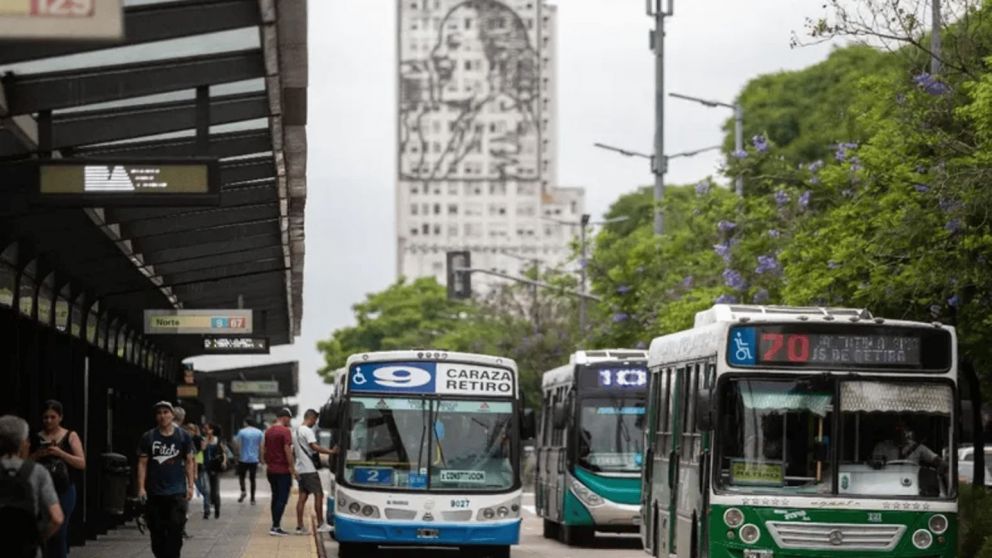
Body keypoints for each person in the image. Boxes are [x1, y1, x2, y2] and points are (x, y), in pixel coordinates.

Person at [0, 415, 63, 558]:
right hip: (27, 549)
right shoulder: (37, 472)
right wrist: (37, 538)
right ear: (23, 443)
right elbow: (57, 518)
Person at [137, 401, 195, 558]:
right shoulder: (148, 437)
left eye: (166, 412)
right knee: (157, 534)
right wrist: (141, 487)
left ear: (172, 415)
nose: (162, 416)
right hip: (155, 492)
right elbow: (142, 463)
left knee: (175, 530)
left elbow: (189, 461)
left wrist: (190, 486)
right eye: (159, 413)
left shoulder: (183, 436)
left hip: (177, 492)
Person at [31, 400, 85, 558]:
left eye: (53, 417)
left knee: (59, 529)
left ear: (60, 417)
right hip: (41, 489)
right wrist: (38, 454)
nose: (49, 421)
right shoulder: (36, 437)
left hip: (64, 488)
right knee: (43, 529)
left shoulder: (70, 435)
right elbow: (23, 462)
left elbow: (81, 462)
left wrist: (60, 453)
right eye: (45, 417)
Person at [293, 409, 337, 535]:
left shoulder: (295, 431)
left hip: (301, 469)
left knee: (302, 497)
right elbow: (314, 447)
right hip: (309, 470)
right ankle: (321, 524)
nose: (315, 423)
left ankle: (300, 526)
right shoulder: (307, 431)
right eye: (315, 420)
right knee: (319, 494)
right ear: (311, 418)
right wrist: (331, 452)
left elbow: (293, 451)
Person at [263, 408, 296, 536]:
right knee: (282, 498)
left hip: (271, 470)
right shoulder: (285, 431)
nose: (289, 421)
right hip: (282, 470)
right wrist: (292, 467)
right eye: (289, 419)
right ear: (284, 417)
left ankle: (275, 524)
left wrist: (267, 462)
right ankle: (275, 527)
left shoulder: (268, 431)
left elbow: (264, 449)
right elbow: (287, 450)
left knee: (275, 497)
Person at [871, 416, 942, 467]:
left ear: (907, 430)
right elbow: (875, 464)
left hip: (911, 480)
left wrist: (943, 464)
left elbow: (936, 460)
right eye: (897, 428)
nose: (900, 431)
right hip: (887, 480)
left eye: (903, 427)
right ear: (892, 430)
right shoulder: (881, 447)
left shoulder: (918, 447)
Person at [233, 419, 263, 505]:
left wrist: (236, 455)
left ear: (246, 423)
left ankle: (243, 491)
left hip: (243, 459)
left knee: (241, 477)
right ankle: (252, 499)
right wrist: (261, 458)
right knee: (252, 479)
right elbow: (261, 446)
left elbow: (237, 444)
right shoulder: (259, 432)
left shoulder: (241, 432)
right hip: (254, 459)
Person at [182, 424, 209, 519]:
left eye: (191, 430)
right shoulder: (185, 440)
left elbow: (195, 459)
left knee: (203, 490)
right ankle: (185, 512)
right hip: (189, 469)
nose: (189, 432)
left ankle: (206, 509)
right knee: (186, 492)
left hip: (197, 468)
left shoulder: (194, 440)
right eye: (188, 430)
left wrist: (196, 472)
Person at [202, 423, 226, 519]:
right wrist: (206, 440)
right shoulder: (204, 439)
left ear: (212, 430)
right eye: (205, 429)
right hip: (205, 467)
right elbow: (202, 449)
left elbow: (223, 453)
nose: (205, 431)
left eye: (207, 429)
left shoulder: (218, 440)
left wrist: (224, 462)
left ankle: (217, 509)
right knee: (207, 490)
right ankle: (207, 511)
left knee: (215, 491)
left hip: (215, 468)